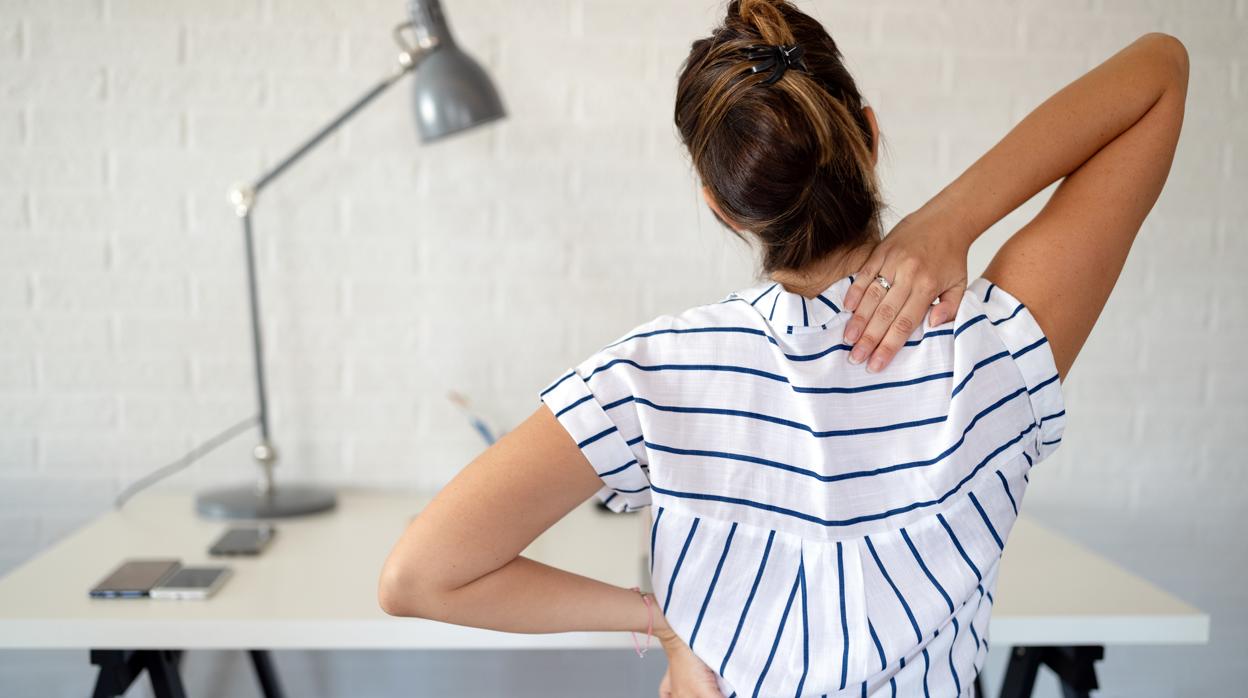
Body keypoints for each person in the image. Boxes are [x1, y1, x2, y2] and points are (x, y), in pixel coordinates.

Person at [377, 1, 1189, 695]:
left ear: (722, 208)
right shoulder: (990, 351)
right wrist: (951, 218)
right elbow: (1159, 70)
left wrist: (660, 620)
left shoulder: (652, 379)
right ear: (869, 136)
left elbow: (419, 576)